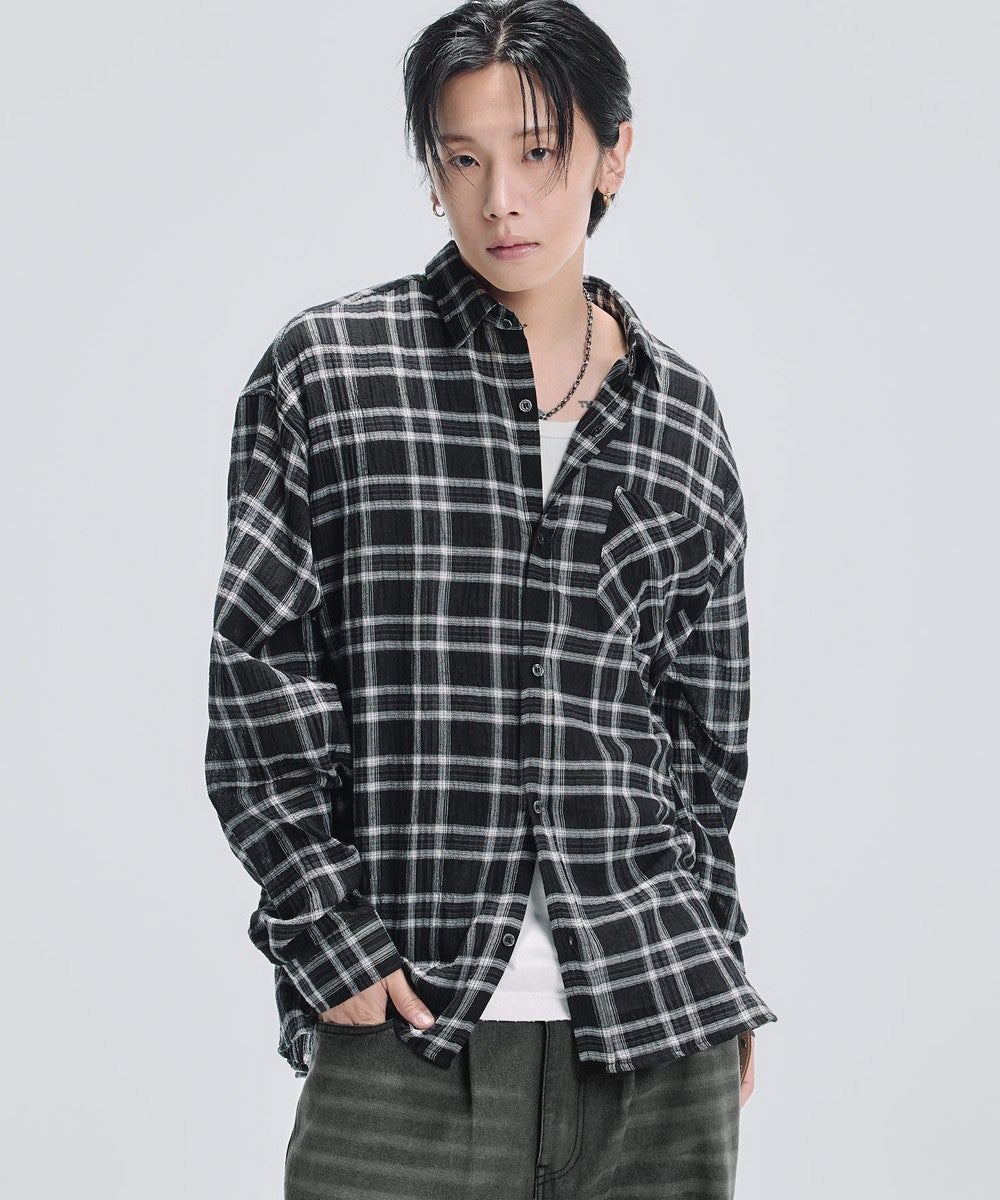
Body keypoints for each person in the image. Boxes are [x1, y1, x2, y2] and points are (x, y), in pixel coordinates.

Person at [204, 2, 778, 1197]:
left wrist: (716, 965)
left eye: (537, 153)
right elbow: (260, 683)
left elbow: (702, 742)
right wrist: (325, 937)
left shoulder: (681, 417)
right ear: (433, 173)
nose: (500, 201)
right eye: (462, 160)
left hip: (655, 1028)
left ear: (612, 153)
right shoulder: (330, 372)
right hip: (408, 1023)